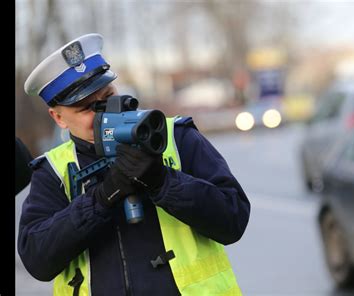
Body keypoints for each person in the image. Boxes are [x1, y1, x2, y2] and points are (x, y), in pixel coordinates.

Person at [18, 33, 250, 296]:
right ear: (58, 117)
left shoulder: (176, 136)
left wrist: (164, 182)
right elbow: (37, 260)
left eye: (109, 95)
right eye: (87, 108)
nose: (106, 111)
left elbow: (234, 218)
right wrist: (102, 199)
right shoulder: (53, 170)